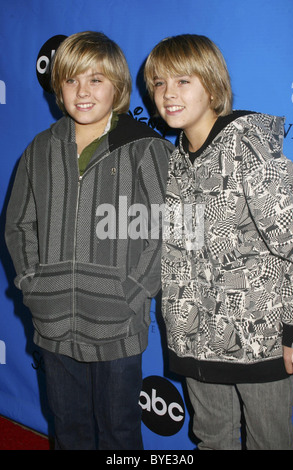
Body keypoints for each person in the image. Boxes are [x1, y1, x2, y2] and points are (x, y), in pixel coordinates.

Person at [5, 31, 174, 450]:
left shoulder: (144, 147)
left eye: (96, 79)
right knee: (68, 429)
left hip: (119, 324)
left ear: (116, 86)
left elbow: (166, 230)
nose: (83, 91)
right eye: (71, 80)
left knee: (119, 433)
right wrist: (32, 284)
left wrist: (132, 292)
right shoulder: (40, 149)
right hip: (53, 323)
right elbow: (18, 225)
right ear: (58, 88)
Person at [144, 34, 293, 450]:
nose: (168, 94)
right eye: (159, 83)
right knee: (211, 439)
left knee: (271, 442)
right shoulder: (175, 159)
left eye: (183, 81)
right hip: (195, 339)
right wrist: (180, 327)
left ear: (212, 86)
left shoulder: (246, 144)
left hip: (260, 340)